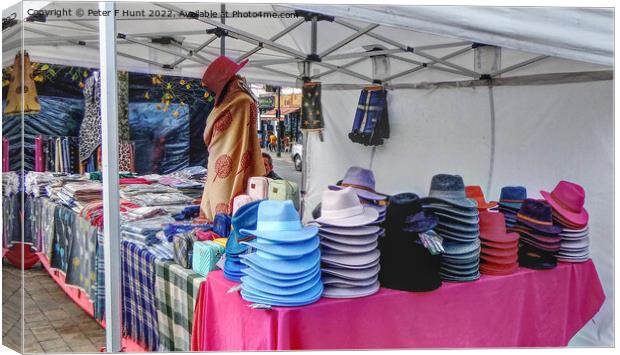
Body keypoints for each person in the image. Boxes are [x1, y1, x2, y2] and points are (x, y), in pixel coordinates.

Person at [199, 56, 266, 221]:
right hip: (222, 164)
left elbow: (234, 138)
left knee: (222, 205)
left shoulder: (240, 101)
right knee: (220, 204)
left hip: (225, 164)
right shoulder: (240, 100)